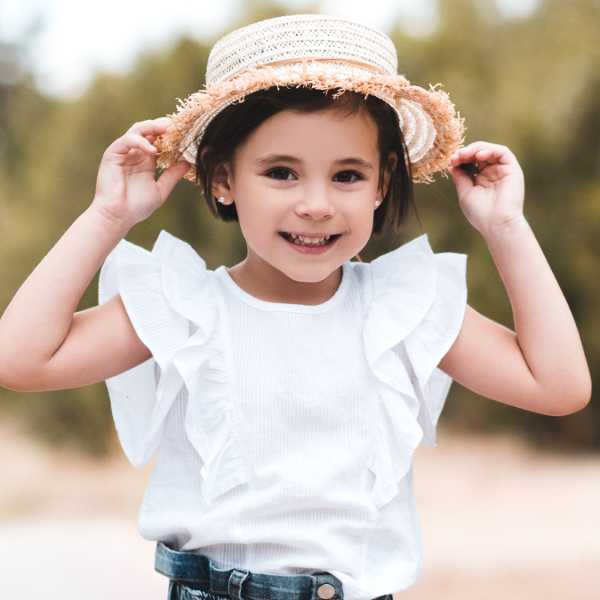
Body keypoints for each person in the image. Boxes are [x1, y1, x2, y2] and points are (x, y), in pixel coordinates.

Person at [0, 13, 590, 600]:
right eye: (281, 172)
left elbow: (558, 385)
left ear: (384, 182)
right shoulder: (185, 308)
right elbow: (21, 360)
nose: (315, 204)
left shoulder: (401, 310)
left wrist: (507, 227)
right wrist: (109, 216)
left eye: (348, 176)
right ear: (222, 176)